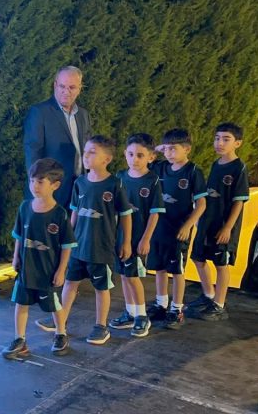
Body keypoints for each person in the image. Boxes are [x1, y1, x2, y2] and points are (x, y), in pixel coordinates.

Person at [37, 135, 132, 345]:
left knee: (101, 288)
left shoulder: (115, 184)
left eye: (92, 152)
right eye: (85, 151)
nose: (86, 156)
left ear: (106, 159)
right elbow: (74, 214)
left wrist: (126, 242)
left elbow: (125, 215)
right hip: (78, 247)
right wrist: (66, 239)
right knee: (70, 283)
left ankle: (101, 326)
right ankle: (60, 319)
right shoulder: (79, 182)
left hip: (102, 248)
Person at [1, 158, 76, 360]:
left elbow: (67, 245)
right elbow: (19, 236)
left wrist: (61, 270)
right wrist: (15, 257)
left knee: (54, 305)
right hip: (26, 270)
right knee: (21, 303)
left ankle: (61, 334)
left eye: (40, 181)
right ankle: (19, 339)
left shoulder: (59, 214)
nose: (34, 185)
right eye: (32, 180)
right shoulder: (25, 207)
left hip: (47, 272)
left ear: (55, 185)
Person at [186, 123, 250, 321]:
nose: (219, 143)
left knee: (221, 264)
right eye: (217, 138)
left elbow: (239, 201)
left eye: (225, 139)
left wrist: (228, 227)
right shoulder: (216, 164)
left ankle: (219, 305)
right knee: (198, 258)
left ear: (237, 143)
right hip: (207, 222)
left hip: (223, 225)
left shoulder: (239, 168)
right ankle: (208, 295)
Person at [146, 129, 207, 329]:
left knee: (177, 270)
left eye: (173, 149)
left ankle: (176, 308)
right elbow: (146, 157)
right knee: (159, 267)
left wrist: (188, 225)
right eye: (166, 149)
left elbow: (201, 204)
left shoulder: (193, 171)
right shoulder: (160, 167)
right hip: (159, 228)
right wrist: (159, 148)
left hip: (178, 230)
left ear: (187, 149)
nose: (168, 153)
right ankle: (161, 303)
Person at [107, 134, 164, 337]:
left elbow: (155, 213)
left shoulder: (153, 181)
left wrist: (146, 238)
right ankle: (130, 312)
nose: (135, 159)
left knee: (133, 277)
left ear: (151, 157)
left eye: (140, 155)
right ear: (125, 154)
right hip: (120, 237)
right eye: (131, 154)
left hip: (137, 238)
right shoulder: (120, 177)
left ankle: (142, 316)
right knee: (124, 275)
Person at [24, 65, 92, 208]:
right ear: (55, 85)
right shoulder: (39, 112)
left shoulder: (83, 115)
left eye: (72, 87)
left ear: (79, 88)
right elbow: (33, 152)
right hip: (51, 191)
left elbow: (87, 149)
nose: (66, 91)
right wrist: (39, 188)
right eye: (62, 86)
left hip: (79, 190)